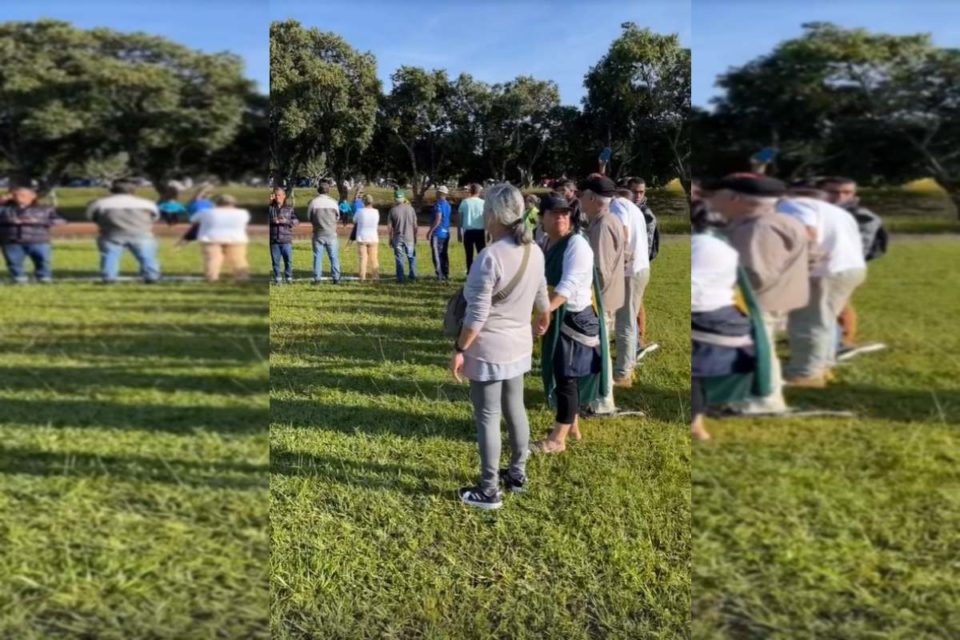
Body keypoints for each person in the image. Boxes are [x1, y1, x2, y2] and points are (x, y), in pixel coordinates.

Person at [449, 183, 550, 509]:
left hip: (489, 348)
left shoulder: (490, 257)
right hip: (519, 344)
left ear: (492, 214)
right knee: (515, 408)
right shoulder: (535, 250)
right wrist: (544, 316)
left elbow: (476, 316)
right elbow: (542, 295)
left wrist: (460, 348)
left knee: (488, 416)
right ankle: (517, 473)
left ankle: (489, 488)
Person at [705, 173, 809, 414]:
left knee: (759, 349)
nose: (711, 200)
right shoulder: (782, 220)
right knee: (763, 346)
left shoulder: (758, 229)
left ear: (734, 198)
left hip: (757, 302)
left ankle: (760, 401)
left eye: (716, 195)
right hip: (777, 297)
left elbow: (754, 275)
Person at [533, 191, 608, 453]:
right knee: (563, 373)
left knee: (566, 378)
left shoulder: (577, 244)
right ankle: (572, 424)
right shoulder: (545, 243)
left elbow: (570, 283)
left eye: (564, 213)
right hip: (557, 314)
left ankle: (557, 439)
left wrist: (546, 310)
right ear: (542, 217)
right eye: (554, 213)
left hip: (573, 317)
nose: (560, 218)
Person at [691, 200, 769, 442]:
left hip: (705, 316)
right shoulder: (725, 247)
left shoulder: (698, 246)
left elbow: (694, 290)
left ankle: (696, 423)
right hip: (726, 314)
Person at [777, 183, 867, 386]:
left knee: (808, 322)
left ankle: (806, 374)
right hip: (850, 268)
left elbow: (808, 234)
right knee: (825, 321)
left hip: (824, 271)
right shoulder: (837, 211)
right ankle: (823, 366)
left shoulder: (792, 205)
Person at [816, 176, 887, 360]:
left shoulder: (862, 216)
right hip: (821, 265)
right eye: (833, 191)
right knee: (829, 304)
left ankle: (842, 342)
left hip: (842, 267)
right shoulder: (818, 210)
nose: (839, 196)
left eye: (846, 192)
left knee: (836, 305)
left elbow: (859, 248)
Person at [579, 175, 625, 416]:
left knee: (601, 352)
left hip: (602, 299)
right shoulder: (607, 220)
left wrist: (584, 292)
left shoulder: (604, 225)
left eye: (583, 195)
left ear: (593, 198)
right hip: (608, 297)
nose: (580, 200)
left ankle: (602, 403)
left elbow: (600, 271)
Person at [86, 178, 162, 283]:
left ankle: (109, 278)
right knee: (147, 257)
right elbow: (155, 217)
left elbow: (91, 216)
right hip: (141, 233)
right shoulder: (148, 204)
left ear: (112, 190)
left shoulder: (100, 204)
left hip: (111, 234)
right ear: (134, 190)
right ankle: (152, 277)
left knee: (110, 256)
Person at [610, 189, 650, 386]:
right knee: (630, 318)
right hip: (641, 268)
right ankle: (629, 363)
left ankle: (622, 374)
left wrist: (617, 261)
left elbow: (623, 234)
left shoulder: (617, 205)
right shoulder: (633, 207)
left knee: (624, 321)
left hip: (629, 271)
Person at [0, 185, 66, 284]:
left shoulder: (44, 209)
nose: (18, 197)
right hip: (12, 240)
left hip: (38, 240)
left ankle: (43, 277)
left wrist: (39, 221)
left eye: (22, 195)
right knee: (13, 262)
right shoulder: (5, 209)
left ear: (32, 196)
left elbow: (60, 221)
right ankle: (18, 278)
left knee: (42, 261)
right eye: (15, 195)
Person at [626, 177, 660, 359]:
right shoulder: (629, 208)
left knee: (636, 303)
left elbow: (644, 247)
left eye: (642, 192)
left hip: (638, 266)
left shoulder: (646, 214)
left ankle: (638, 342)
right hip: (628, 265)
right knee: (632, 302)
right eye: (635, 191)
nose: (638, 195)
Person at [190, 194, 250, 282]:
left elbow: (193, 219)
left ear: (216, 203)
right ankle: (242, 278)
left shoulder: (205, 212)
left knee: (212, 259)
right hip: (236, 239)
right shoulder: (243, 213)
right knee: (238, 259)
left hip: (211, 238)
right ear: (233, 203)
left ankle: (211, 278)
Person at [307, 183, 341, 284]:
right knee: (334, 257)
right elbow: (337, 217)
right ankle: (336, 278)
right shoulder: (333, 203)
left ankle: (317, 279)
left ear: (318, 190)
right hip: (331, 234)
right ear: (328, 190)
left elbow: (309, 217)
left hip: (318, 233)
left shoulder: (313, 203)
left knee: (317, 257)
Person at [268, 187, 299, 284]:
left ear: (284, 196)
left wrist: (286, 221)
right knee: (275, 262)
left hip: (286, 239)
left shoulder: (289, 208)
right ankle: (277, 278)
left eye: (279, 195)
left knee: (288, 261)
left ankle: (288, 277)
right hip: (274, 240)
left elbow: (296, 221)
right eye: (275, 195)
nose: (277, 197)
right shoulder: (270, 208)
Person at [387, 190, 418, 283]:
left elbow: (389, 227)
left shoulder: (392, 210)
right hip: (410, 238)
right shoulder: (411, 209)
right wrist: (415, 237)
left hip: (398, 238)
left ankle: (400, 278)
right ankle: (413, 277)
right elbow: (415, 225)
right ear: (404, 198)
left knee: (399, 258)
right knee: (411, 257)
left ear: (395, 199)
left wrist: (390, 238)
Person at [458, 183, 486, 274]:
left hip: (469, 231)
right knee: (481, 254)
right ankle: (481, 271)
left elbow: (460, 219)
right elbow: (486, 218)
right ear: (479, 192)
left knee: (469, 254)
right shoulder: (483, 203)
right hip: (480, 231)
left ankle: (469, 272)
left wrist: (459, 232)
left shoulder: (465, 202)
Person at [351, 194, 380, 281]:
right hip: (373, 238)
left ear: (364, 202)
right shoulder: (376, 212)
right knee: (374, 259)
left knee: (363, 259)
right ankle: (376, 277)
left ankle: (362, 277)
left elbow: (354, 220)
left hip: (362, 237)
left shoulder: (360, 211)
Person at [428, 185, 452, 281]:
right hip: (446, 232)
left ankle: (440, 275)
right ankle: (445, 273)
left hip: (438, 233)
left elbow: (438, 218)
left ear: (439, 193)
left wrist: (430, 231)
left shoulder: (438, 204)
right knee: (444, 253)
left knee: (436, 254)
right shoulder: (448, 205)